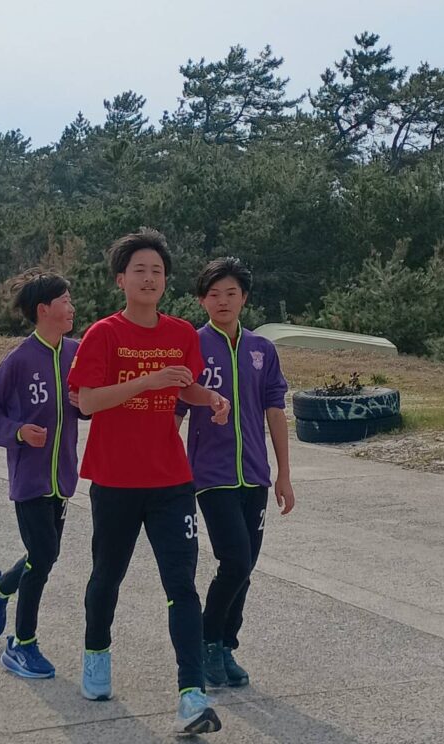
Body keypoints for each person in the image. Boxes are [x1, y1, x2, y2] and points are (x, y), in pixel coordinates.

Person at [68, 229, 229, 736]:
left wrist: (211, 399)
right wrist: (149, 380)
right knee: (107, 576)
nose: (149, 278)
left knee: (181, 584)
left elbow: (186, 386)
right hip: (115, 479)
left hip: (171, 480)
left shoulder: (181, 334)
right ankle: (96, 654)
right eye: (139, 270)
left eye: (157, 271)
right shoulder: (103, 334)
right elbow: (87, 401)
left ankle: (191, 694)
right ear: (121, 279)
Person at [177, 257, 295, 689]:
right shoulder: (191, 345)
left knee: (247, 565)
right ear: (201, 300)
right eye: (213, 294)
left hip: (256, 475)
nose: (222, 301)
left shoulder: (262, 349)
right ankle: (207, 641)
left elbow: (275, 411)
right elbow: (175, 412)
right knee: (236, 560)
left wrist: (283, 474)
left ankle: (225, 645)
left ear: (244, 298)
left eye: (231, 293)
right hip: (211, 475)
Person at [0, 272, 79, 680]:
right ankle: (22, 644)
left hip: (63, 478)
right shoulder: (18, 360)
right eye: (65, 301)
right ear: (43, 309)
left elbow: (84, 404)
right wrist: (18, 432)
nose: (72, 308)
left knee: (46, 554)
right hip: (30, 481)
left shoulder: (76, 353)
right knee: (43, 554)